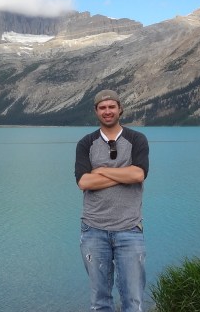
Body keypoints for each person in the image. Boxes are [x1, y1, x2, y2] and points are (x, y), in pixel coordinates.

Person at [75, 89, 150, 312]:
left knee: (133, 301)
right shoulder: (85, 143)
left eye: (111, 107)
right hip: (93, 230)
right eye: (102, 107)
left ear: (120, 109)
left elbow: (139, 175)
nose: (107, 111)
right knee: (100, 302)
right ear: (96, 111)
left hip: (129, 229)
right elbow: (84, 182)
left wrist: (102, 171)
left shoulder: (137, 139)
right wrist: (122, 175)